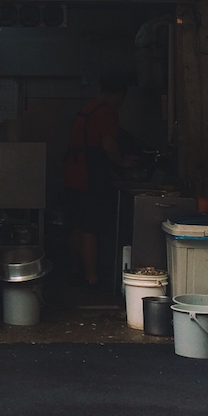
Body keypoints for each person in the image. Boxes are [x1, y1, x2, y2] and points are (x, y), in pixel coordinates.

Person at [64, 72, 135, 289]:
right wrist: (123, 162)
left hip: (72, 176)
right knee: (91, 228)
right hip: (89, 178)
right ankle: (92, 279)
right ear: (118, 94)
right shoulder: (107, 113)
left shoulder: (87, 109)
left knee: (77, 225)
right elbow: (108, 144)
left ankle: (75, 271)